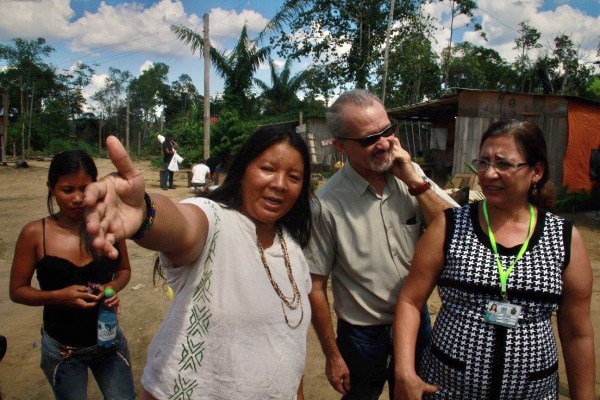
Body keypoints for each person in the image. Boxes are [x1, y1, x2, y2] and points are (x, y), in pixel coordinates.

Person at [84, 125, 314, 399]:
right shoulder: (215, 220)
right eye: (267, 168)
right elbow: (183, 225)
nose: (279, 183)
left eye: (294, 176)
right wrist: (144, 213)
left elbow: (291, 347)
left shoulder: (292, 247)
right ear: (241, 173)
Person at [393, 120, 596, 399]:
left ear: (536, 171)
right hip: (448, 389)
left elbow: (577, 333)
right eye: (484, 162)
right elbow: (410, 300)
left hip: (532, 392)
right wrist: (405, 372)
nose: (489, 174)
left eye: (503, 164)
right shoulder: (449, 226)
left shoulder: (562, 238)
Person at [305, 89, 457, 399]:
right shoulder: (326, 205)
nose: (385, 143)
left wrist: (415, 182)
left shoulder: (409, 177)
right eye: (369, 139)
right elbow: (315, 287)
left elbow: (460, 232)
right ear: (340, 146)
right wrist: (333, 356)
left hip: (416, 322)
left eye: (388, 130)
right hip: (362, 335)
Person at [9, 150, 135, 400]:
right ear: (51, 188)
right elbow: (17, 291)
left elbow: (124, 271)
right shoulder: (35, 234)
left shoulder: (107, 226)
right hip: (62, 350)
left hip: (108, 342)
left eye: (84, 188)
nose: (77, 198)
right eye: (67, 190)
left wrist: (111, 288)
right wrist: (59, 296)